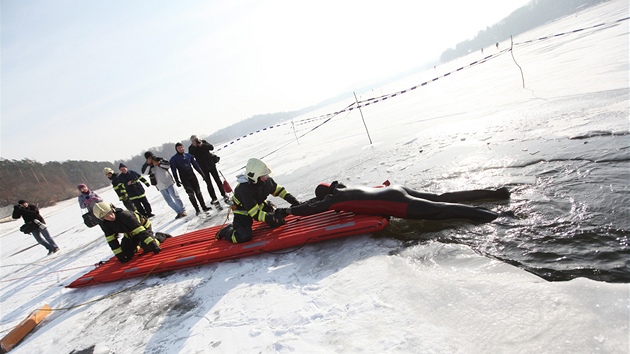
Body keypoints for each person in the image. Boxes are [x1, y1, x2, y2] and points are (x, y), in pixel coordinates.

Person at [276, 181, 512, 223]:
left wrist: (287, 210)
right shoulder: (346, 189)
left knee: (445, 210)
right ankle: (496, 193)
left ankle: (494, 217)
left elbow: (311, 209)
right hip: (394, 190)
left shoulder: (335, 200)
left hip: (395, 203)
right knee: (444, 199)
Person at [215, 158, 300, 243]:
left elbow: (280, 191)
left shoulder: (265, 180)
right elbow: (255, 213)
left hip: (259, 205)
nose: (265, 178)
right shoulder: (244, 189)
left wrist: (295, 202)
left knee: (279, 222)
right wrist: (271, 217)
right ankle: (227, 231)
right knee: (243, 236)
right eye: (263, 175)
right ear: (254, 176)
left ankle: (270, 214)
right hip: (243, 211)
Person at [92, 201, 171, 263]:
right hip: (129, 233)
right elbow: (111, 240)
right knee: (127, 254)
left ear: (112, 209)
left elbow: (140, 231)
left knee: (148, 247)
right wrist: (120, 256)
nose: (110, 216)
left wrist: (154, 245)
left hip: (143, 228)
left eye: (110, 213)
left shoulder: (125, 215)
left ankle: (160, 236)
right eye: (106, 216)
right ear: (102, 218)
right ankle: (139, 244)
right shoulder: (105, 225)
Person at [142, 151, 187, 219]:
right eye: (149, 158)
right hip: (160, 186)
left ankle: (183, 210)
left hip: (168, 182)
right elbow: (145, 173)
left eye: (152, 157)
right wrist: (148, 164)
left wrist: (159, 163)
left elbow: (168, 165)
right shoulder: (147, 166)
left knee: (175, 197)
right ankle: (178, 212)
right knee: (169, 201)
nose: (151, 158)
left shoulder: (160, 159)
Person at [170, 143, 211, 216]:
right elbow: (174, 170)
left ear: (183, 147)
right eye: (179, 148)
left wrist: (202, 174)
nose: (181, 149)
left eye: (181, 147)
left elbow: (196, 165)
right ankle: (197, 209)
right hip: (184, 179)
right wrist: (176, 180)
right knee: (191, 194)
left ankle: (204, 206)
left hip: (192, 176)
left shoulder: (189, 156)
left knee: (198, 192)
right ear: (176, 149)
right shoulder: (174, 159)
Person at [188, 134, 230, 206]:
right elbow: (191, 155)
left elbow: (211, 147)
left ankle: (223, 193)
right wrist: (195, 146)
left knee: (218, 180)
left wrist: (202, 145)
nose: (196, 141)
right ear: (192, 141)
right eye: (194, 140)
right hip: (203, 167)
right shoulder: (191, 147)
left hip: (211, 165)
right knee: (208, 183)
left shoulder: (203, 142)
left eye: (196, 139)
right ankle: (213, 197)